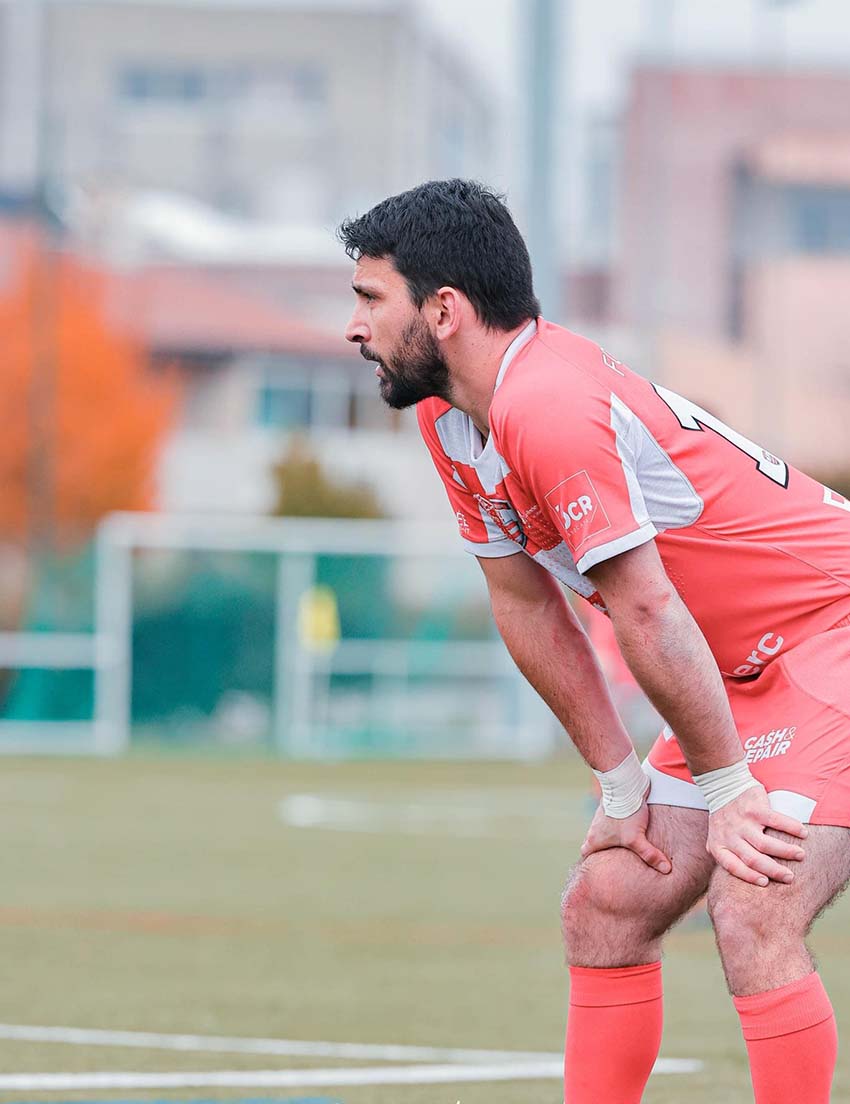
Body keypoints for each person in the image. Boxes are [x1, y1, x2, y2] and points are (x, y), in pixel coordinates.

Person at [338, 179, 850, 1104]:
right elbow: (526, 605)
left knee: (754, 901)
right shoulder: (449, 418)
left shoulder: (547, 403)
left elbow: (648, 613)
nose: (354, 324)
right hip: (737, 668)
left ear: (444, 311)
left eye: (372, 297)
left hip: (834, 632)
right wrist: (619, 783)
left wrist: (731, 792)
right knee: (608, 903)